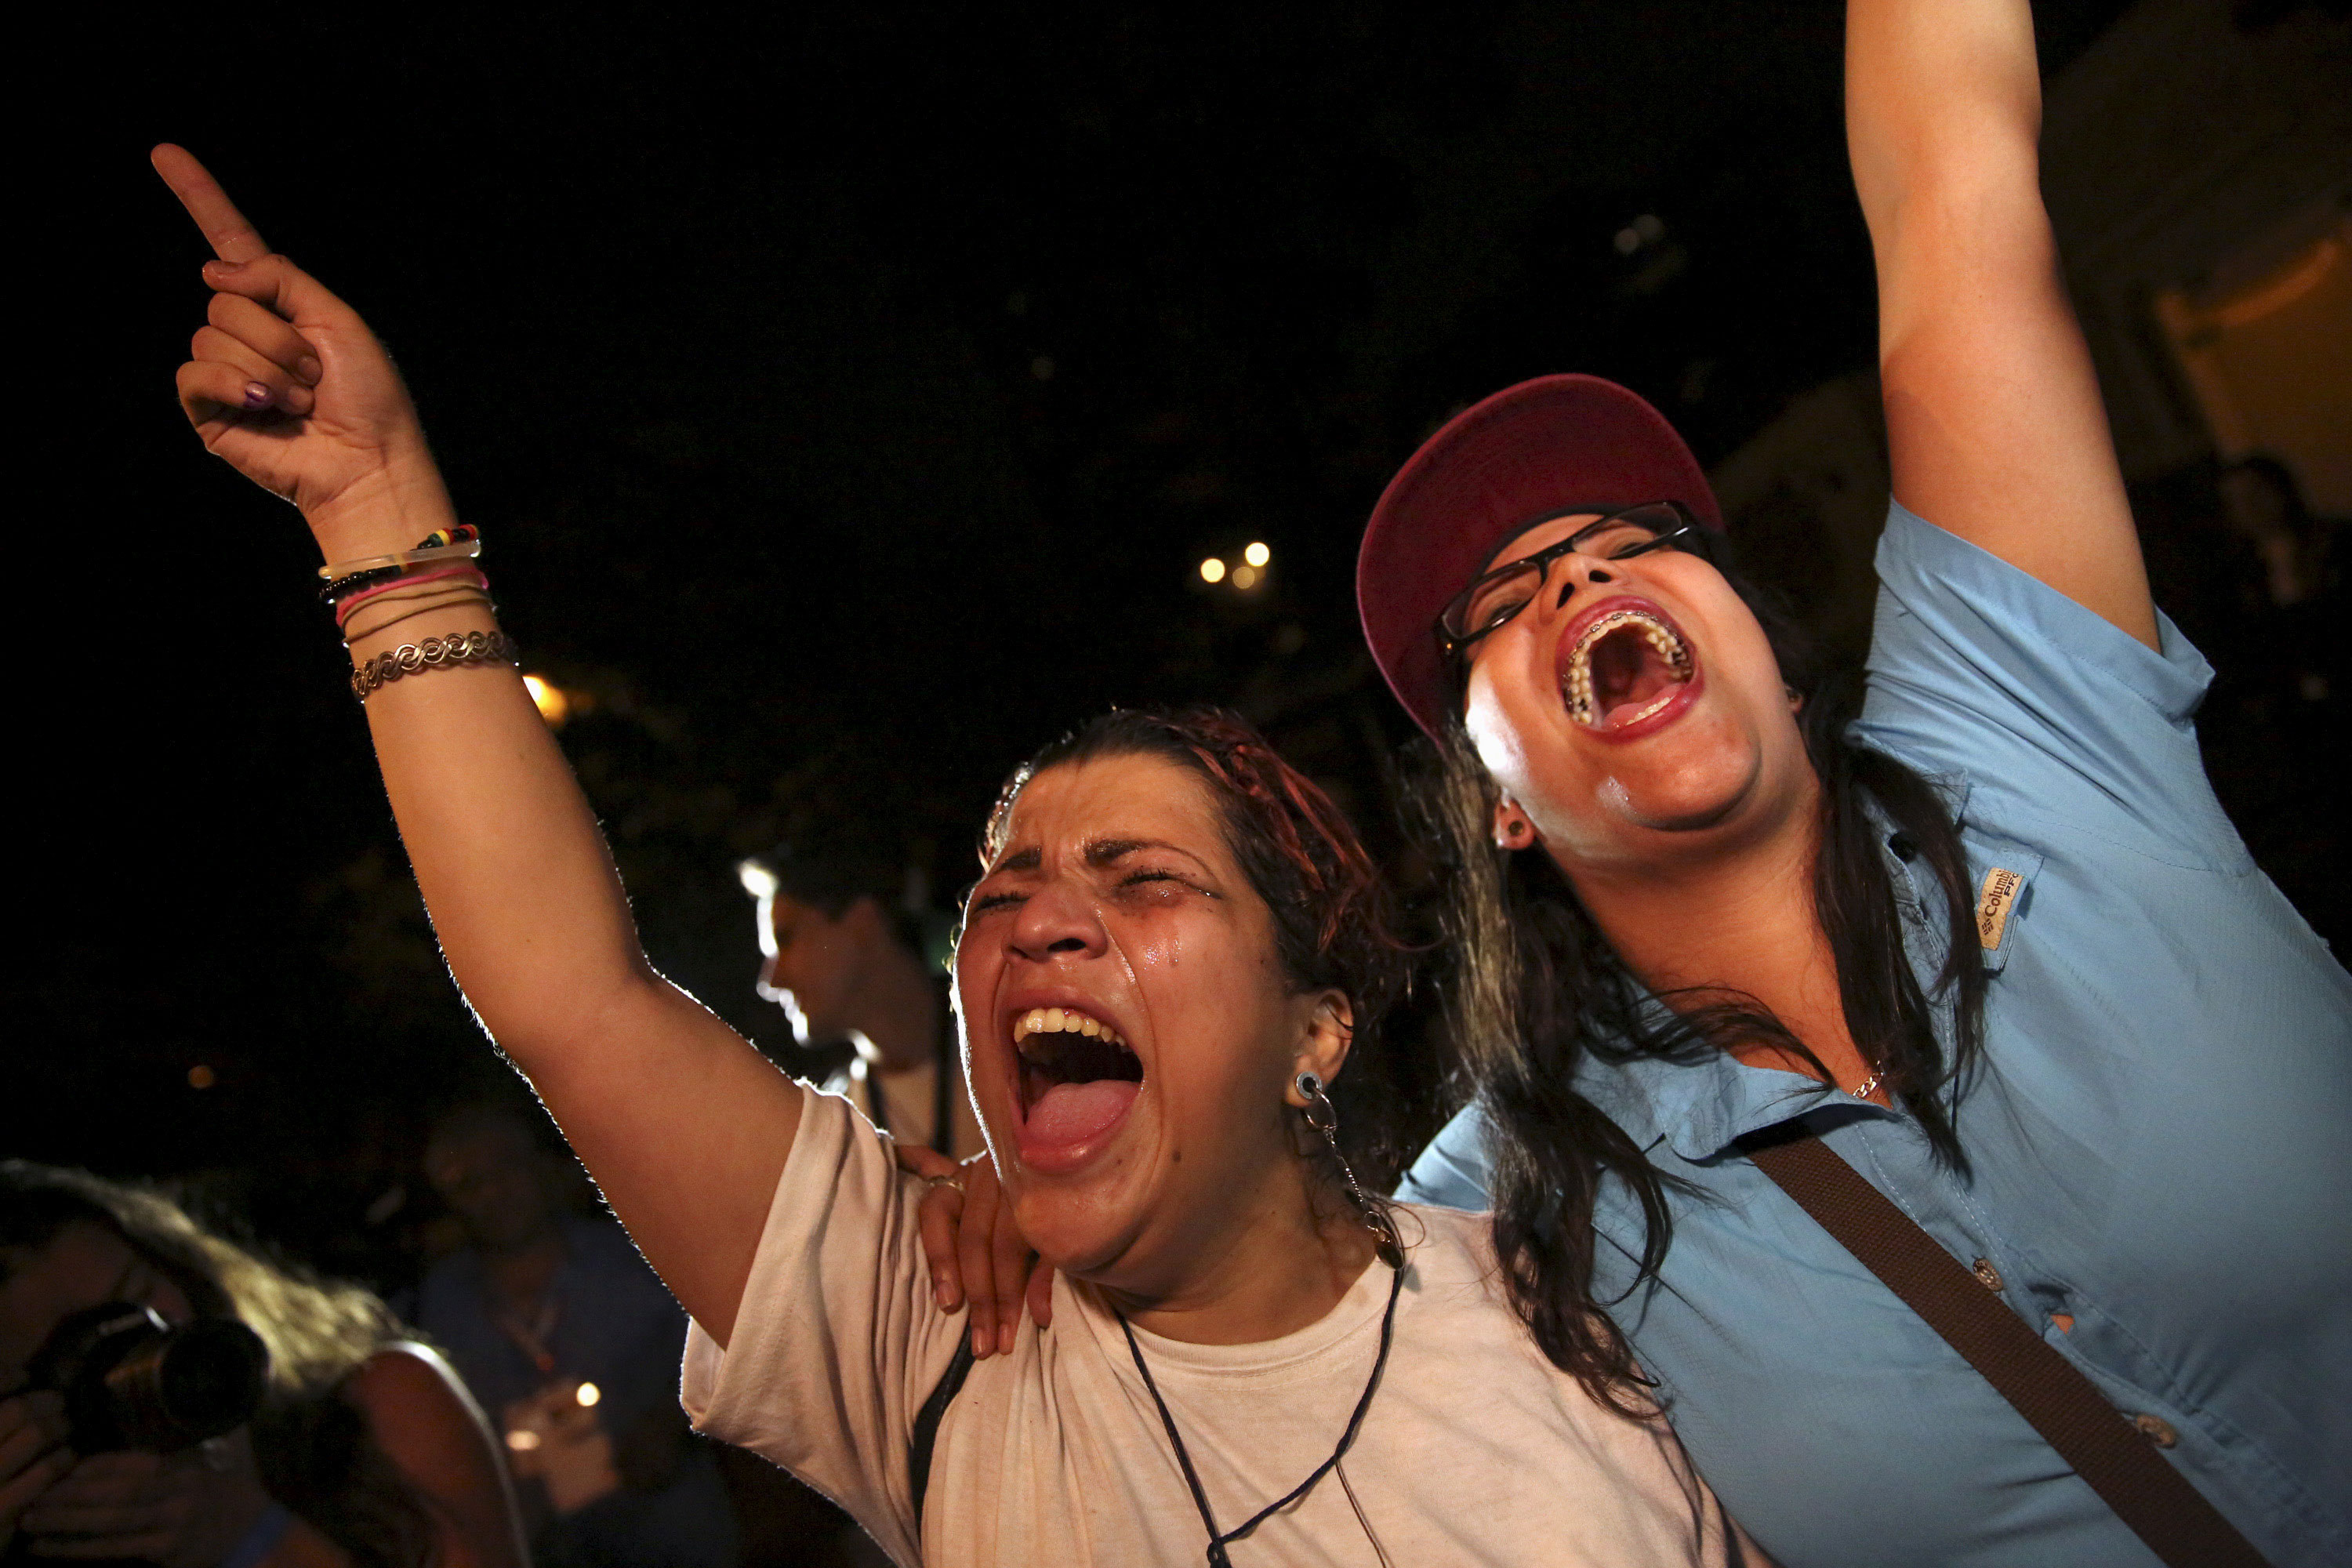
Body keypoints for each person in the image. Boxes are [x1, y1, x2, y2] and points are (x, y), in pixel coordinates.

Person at [150, 152, 1765, 1564]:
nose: (1044, 919)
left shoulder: (1584, 1307)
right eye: (1003, 891)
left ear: (1314, 1028)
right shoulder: (930, 1329)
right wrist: (380, 523)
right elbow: (571, 995)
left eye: (1144, 882)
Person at [1343, 2, 2350, 1565]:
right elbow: (1220, 1332)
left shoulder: (2027, 729)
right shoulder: (1508, 1206)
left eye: (1637, 540)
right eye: (1496, 604)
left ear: (1779, 659)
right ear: (1500, 806)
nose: (1580, 567)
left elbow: (1953, 181)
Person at [0, 1161, 526, 1568]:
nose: (135, 1351)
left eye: (136, 1296)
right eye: (77, 1352)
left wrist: (249, 1533)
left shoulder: (374, 1404)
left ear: (173, 1262)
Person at [416, 1105, 741, 1568]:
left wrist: (675, 1424)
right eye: (467, 1183)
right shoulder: (436, 1312)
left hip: (677, 1536)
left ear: (543, 1164)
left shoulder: (637, 1259)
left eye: (505, 1166)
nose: (492, 1192)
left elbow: (735, 1357)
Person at [736, 836, 985, 1160]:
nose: (769, 981)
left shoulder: (1021, 1053)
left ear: (863, 925)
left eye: (785, 940)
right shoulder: (833, 1132)